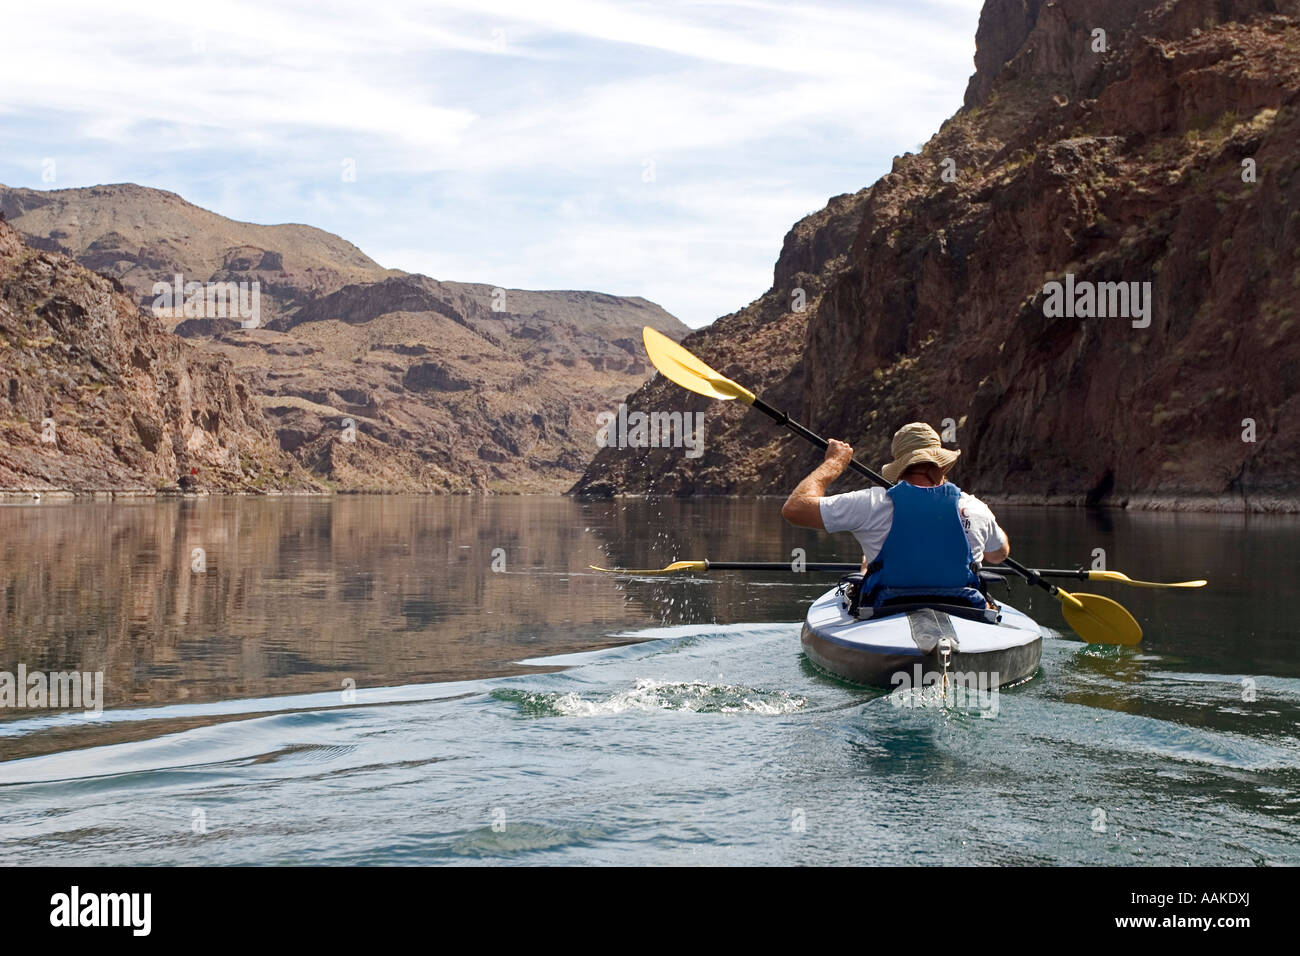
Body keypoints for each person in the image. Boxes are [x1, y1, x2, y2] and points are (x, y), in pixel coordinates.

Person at [781, 422, 1009, 610]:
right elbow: (999, 555)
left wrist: (834, 463)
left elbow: (795, 509)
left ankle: (868, 571)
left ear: (900, 467)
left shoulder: (871, 503)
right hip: (965, 607)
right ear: (942, 464)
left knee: (869, 569)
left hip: (887, 606)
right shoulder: (976, 508)